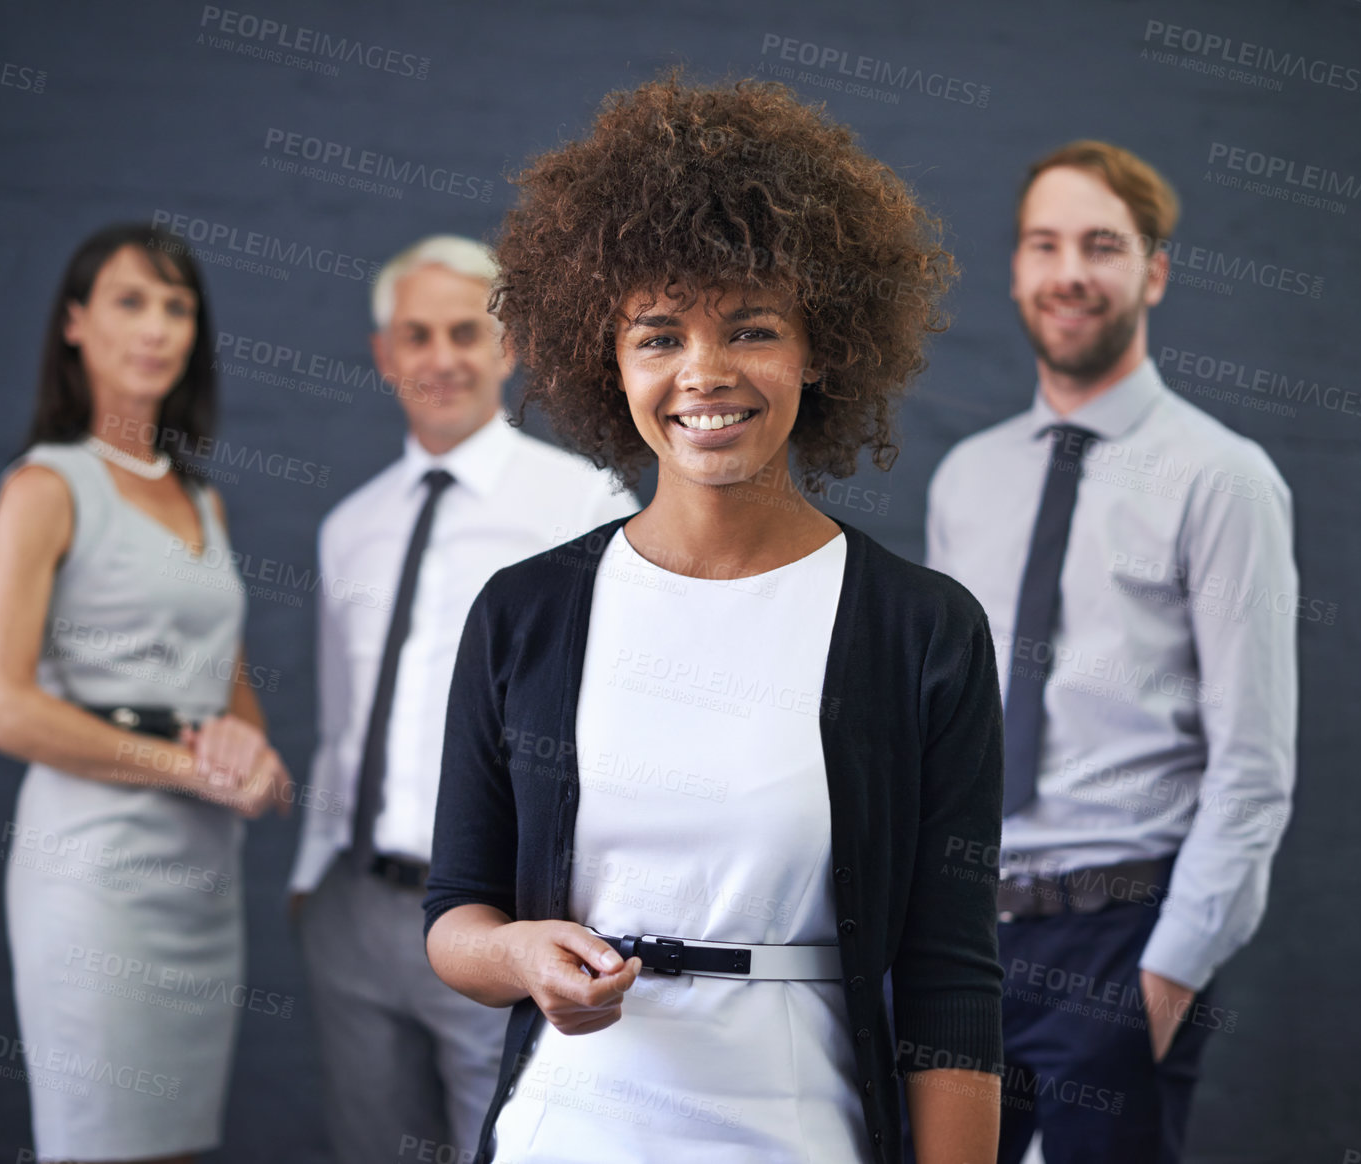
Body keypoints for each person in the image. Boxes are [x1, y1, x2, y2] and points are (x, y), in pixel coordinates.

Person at [422, 76, 1006, 1164]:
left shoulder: (920, 631)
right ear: (609, 357)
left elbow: (951, 981)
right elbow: (456, 915)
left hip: (799, 1132)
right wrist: (520, 960)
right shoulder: (525, 615)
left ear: (819, 345)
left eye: (750, 328)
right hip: (568, 1130)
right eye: (657, 335)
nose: (703, 374)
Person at [925, 141, 1299, 1163]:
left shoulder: (1219, 478)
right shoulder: (966, 479)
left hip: (1119, 933)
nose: (1069, 273)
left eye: (1101, 245)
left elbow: (1253, 765)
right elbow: (943, 725)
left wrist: (1167, 975)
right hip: (963, 940)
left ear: (1153, 272)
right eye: (1043, 245)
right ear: (1014, 271)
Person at [287, 234, 636, 1164]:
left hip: (496, 913)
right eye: (416, 335)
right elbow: (341, 713)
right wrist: (310, 871)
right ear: (385, 355)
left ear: (506, 347)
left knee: (510, 1146)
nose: (440, 358)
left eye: (463, 333)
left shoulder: (580, 503)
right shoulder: (348, 526)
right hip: (355, 903)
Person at [0, 222, 294, 1164]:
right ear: (74, 323)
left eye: (176, 306)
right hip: (96, 870)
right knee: (105, 1143)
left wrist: (252, 759)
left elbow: (228, 695)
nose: (156, 327)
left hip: (201, 870)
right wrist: (186, 771)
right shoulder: (45, 486)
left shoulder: (203, 502)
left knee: (179, 1143)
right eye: (129, 301)